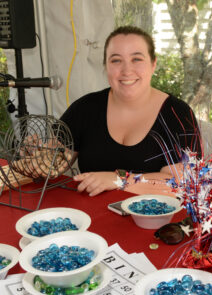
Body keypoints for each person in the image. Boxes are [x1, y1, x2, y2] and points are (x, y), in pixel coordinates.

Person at [60, 26, 202, 196]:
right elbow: (57, 160)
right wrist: (38, 159)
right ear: (105, 65)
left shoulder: (177, 114)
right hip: (90, 216)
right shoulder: (85, 107)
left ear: (153, 64)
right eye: (116, 60)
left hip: (154, 220)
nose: (127, 71)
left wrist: (119, 180)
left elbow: (181, 183)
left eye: (136, 59)